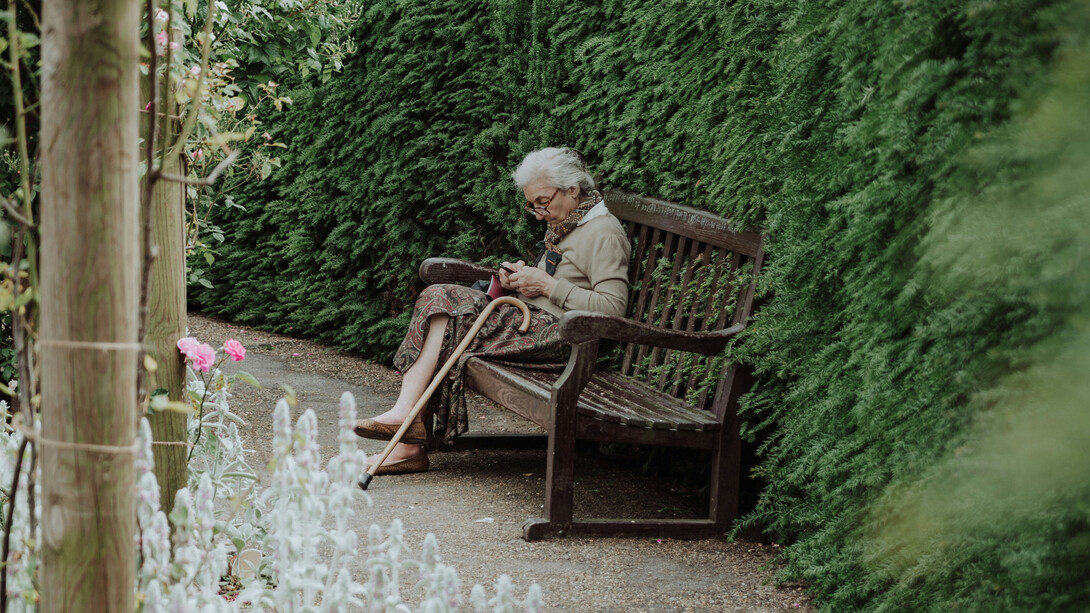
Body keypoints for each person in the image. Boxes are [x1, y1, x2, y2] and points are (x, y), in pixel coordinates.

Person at [354, 147, 632, 474]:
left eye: (543, 201)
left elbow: (614, 309)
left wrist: (546, 286)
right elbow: (557, 280)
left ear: (573, 189)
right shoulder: (569, 221)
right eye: (532, 204)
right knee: (439, 300)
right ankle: (406, 429)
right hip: (532, 322)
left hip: (564, 339)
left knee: (445, 305)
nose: (539, 212)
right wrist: (519, 280)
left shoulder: (602, 231)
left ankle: (406, 437)